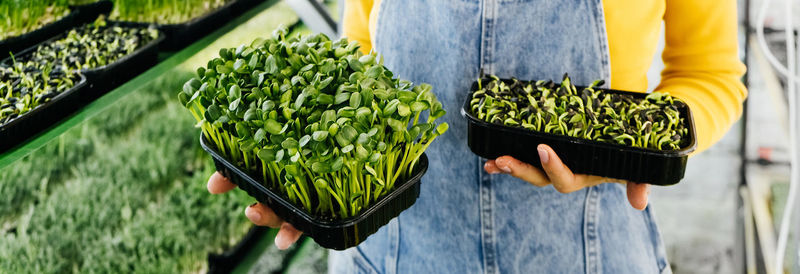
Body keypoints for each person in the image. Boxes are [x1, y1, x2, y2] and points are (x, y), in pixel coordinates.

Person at [207, 0, 747, 272]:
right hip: (394, 254)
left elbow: (710, 74)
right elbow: (362, 47)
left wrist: (638, 150)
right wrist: (308, 185)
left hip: (588, 252)